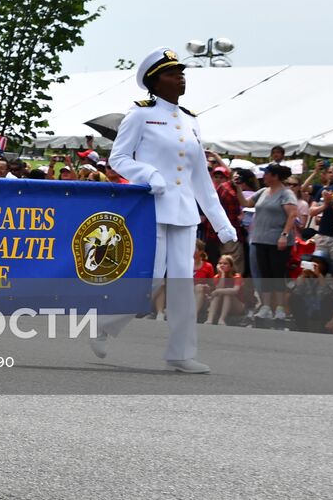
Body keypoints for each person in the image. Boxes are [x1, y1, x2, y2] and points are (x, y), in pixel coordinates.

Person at [94, 48, 237, 373]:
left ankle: (180, 353)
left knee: (183, 283)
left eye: (181, 72)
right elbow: (118, 159)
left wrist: (224, 227)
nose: (180, 77)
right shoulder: (139, 114)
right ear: (154, 82)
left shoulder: (191, 120)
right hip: (152, 209)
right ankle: (105, 325)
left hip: (184, 213)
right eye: (172, 73)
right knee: (151, 280)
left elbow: (200, 177)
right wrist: (148, 174)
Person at [248, 164, 298, 321]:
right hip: (260, 238)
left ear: (275, 176)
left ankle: (281, 308)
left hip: (277, 240)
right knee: (265, 274)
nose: (264, 177)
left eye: (267, 174)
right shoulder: (263, 191)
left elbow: (292, 215)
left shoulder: (286, 193)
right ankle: (266, 306)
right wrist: (236, 186)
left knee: (277, 274)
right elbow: (246, 203)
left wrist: (284, 235)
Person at [205, 254, 243, 325]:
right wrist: (222, 275)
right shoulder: (217, 277)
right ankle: (209, 319)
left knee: (227, 294)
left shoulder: (237, 276)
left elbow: (235, 290)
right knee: (218, 295)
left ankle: (222, 319)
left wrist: (218, 291)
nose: (222, 265)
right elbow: (218, 289)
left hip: (236, 306)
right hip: (221, 305)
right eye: (220, 263)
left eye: (225, 264)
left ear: (230, 266)